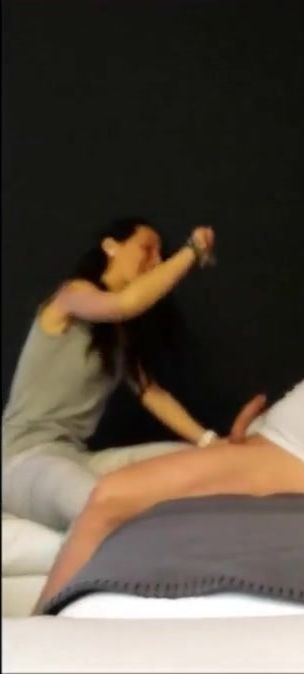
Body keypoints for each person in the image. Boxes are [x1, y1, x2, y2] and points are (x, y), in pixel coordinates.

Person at [34, 237, 304, 612]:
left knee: (111, 496)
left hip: (299, 465)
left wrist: (192, 250)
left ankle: (38, 634)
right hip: (269, 447)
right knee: (112, 492)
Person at [2, 218, 223, 531]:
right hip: (23, 462)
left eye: (160, 255)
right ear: (110, 246)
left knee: (195, 461)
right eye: (147, 248)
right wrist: (192, 250)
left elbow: (150, 392)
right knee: (100, 505)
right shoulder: (71, 294)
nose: (155, 261)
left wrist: (210, 442)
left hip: (78, 457)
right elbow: (124, 304)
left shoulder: (120, 334)